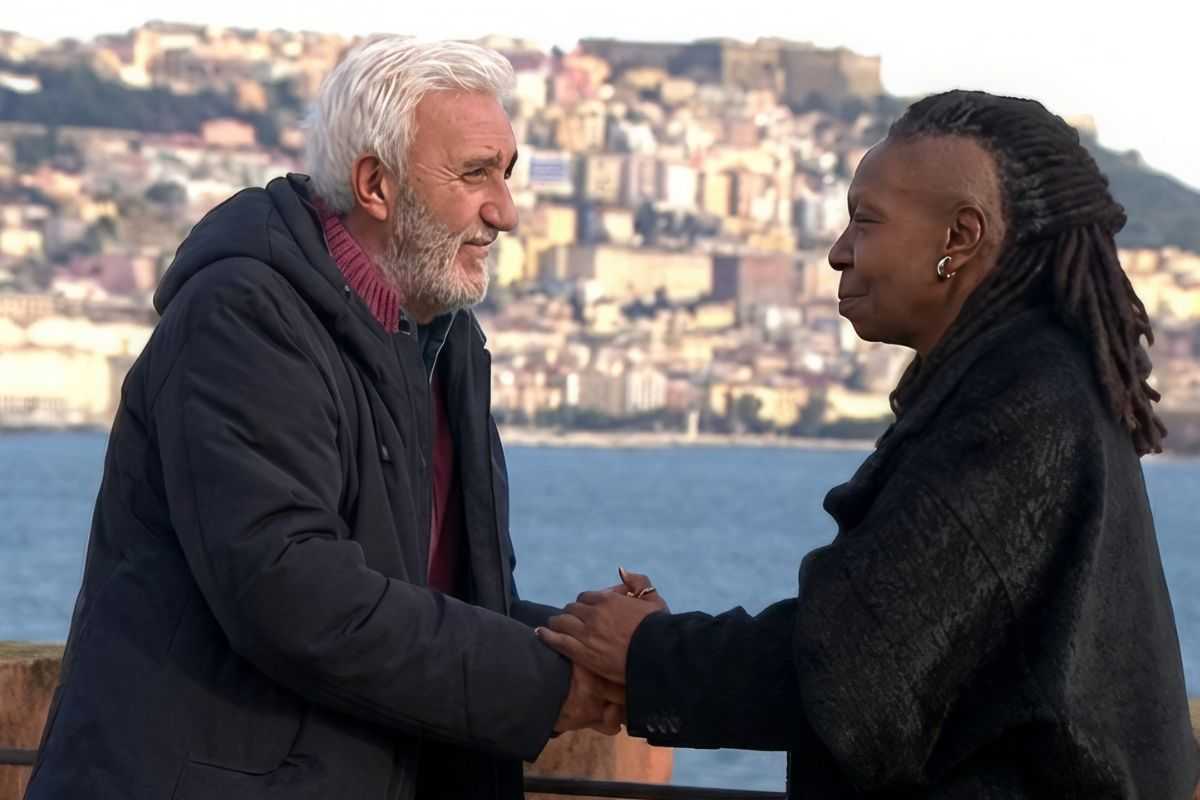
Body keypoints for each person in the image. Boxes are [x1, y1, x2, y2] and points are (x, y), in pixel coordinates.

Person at [538, 90, 1200, 797]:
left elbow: (858, 669)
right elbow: (892, 643)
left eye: (866, 220)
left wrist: (643, 651)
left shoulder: (1021, 403)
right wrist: (656, 655)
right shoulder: (1027, 383)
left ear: (959, 238)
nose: (837, 252)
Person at [26, 37, 621, 800]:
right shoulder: (242, 316)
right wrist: (552, 684)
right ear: (375, 185)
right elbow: (293, 593)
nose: (504, 212)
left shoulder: (447, 344)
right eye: (476, 174)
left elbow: (439, 598)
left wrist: (608, 652)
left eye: (506, 173)